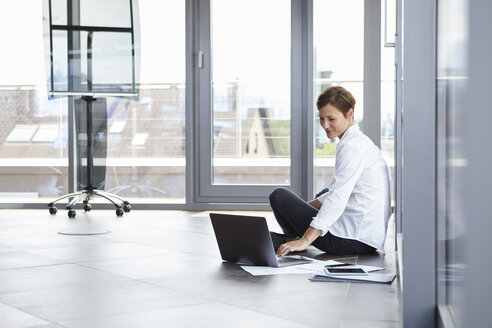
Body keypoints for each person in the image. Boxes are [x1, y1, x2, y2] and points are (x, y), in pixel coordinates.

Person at [270, 86, 391, 256]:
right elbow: (339, 192)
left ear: (349, 114)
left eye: (331, 119)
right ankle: (294, 238)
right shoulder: (360, 142)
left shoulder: (352, 148)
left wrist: (305, 239)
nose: (325, 125)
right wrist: (301, 208)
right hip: (368, 238)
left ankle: (295, 240)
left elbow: (338, 198)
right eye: (321, 118)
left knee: (279, 196)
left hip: (351, 240)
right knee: (324, 193)